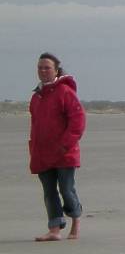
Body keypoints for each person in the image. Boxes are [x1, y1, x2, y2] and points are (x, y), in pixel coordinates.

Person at [29, 52, 86, 242]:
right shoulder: (36, 97)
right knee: (49, 192)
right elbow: (35, 126)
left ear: (56, 70)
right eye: (40, 68)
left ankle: (76, 221)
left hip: (64, 153)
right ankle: (54, 229)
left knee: (66, 189)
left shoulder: (65, 92)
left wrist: (64, 145)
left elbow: (78, 121)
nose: (43, 71)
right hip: (42, 153)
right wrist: (34, 149)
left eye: (47, 68)